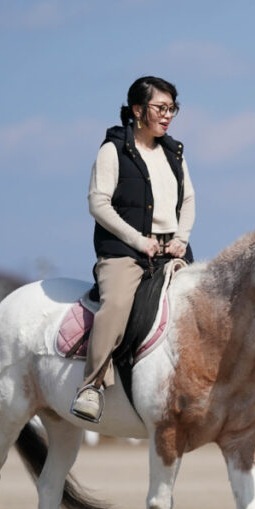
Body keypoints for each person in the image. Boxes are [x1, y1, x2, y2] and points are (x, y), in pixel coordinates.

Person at [72, 76, 195, 422]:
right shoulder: (113, 150)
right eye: (161, 108)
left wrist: (182, 237)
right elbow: (98, 203)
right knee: (117, 305)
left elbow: (188, 200)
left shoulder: (175, 152)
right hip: (124, 253)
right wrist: (138, 240)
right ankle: (91, 387)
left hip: (172, 251)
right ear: (138, 110)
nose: (168, 115)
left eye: (173, 108)